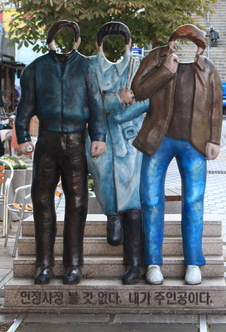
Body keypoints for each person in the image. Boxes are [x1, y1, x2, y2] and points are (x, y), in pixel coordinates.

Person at [15, 20, 107, 286]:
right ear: (49, 40)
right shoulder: (36, 69)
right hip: (47, 140)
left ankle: (74, 264)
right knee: (42, 200)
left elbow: (96, 103)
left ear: (77, 41)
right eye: (57, 37)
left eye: (69, 38)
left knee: (77, 202)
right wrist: (22, 136)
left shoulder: (87, 67)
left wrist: (98, 136)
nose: (64, 42)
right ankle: (43, 264)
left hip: (77, 141)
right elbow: (25, 107)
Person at [131, 24, 223, 286]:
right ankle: (152, 263)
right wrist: (165, 72)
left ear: (200, 48)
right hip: (158, 139)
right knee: (150, 200)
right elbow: (138, 91)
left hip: (194, 142)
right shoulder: (157, 59)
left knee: (194, 201)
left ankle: (193, 262)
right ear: (171, 43)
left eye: (193, 43)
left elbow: (216, 106)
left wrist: (214, 139)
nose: (186, 47)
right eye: (180, 41)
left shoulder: (208, 70)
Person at [86, 22, 149, 285]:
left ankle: (133, 264)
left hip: (129, 142)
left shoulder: (137, 65)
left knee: (133, 202)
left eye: (120, 42)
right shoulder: (90, 66)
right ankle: (112, 217)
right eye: (105, 43)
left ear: (127, 44)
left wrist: (115, 111)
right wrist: (116, 99)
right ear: (99, 46)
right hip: (98, 141)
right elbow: (88, 102)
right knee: (103, 186)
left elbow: (145, 101)